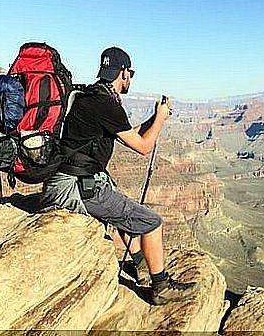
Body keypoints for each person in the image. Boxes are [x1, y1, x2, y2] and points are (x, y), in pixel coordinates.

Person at [41, 46, 198, 306]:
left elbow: (128, 133)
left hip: (65, 179)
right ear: (123, 73)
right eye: (130, 73)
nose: (130, 79)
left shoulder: (88, 96)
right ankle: (160, 287)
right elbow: (143, 147)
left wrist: (153, 119)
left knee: (119, 205)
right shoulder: (105, 103)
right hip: (75, 186)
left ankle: (141, 268)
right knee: (151, 222)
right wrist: (160, 120)